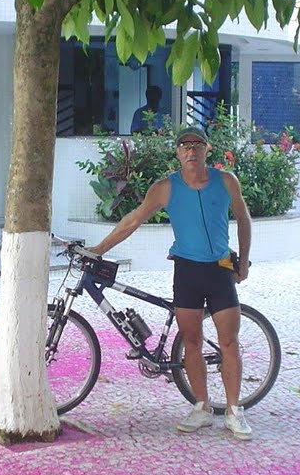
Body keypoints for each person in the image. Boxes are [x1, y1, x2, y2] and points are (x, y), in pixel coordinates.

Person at [89, 125, 254, 440]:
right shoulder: (165, 187)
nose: (191, 151)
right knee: (190, 343)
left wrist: (243, 261)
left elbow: (243, 218)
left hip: (219, 271)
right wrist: (99, 249)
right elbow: (133, 220)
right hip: (187, 272)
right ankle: (202, 407)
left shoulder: (225, 181)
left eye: (197, 145)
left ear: (207, 150)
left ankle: (234, 411)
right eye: (185, 146)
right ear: (177, 153)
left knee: (229, 343)